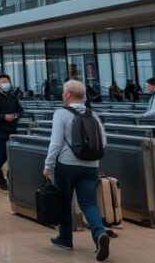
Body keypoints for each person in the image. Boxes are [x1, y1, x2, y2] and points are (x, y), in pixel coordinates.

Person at [43, 80, 109, 261]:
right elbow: (103, 142)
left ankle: (65, 239)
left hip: (67, 166)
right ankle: (99, 234)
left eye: (64, 92)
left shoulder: (61, 114)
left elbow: (55, 143)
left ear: (68, 94)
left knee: (64, 202)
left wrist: (48, 166)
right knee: (89, 204)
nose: (62, 95)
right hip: (91, 166)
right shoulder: (93, 114)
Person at [0, 73, 23, 191]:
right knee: (2, 155)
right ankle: (0, 177)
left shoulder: (12, 97)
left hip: (12, 130)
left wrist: (16, 116)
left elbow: (21, 110)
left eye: (7, 82)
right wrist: (4, 117)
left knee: (10, 155)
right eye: (2, 82)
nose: (5, 84)